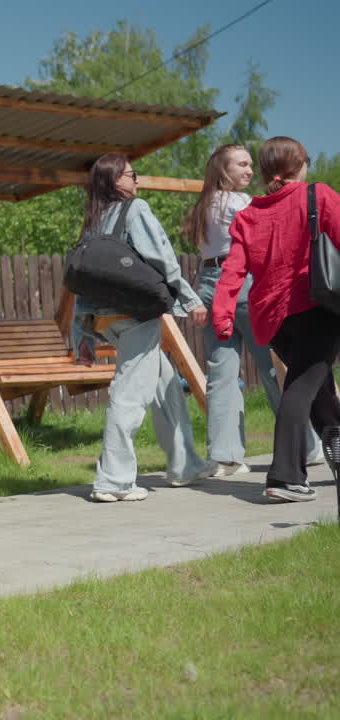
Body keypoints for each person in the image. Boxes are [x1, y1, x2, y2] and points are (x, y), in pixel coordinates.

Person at [72, 154, 217, 503]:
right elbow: (161, 257)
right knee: (129, 394)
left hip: (105, 319)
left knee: (165, 384)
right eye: (132, 175)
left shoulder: (93, 221)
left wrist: (80, 336)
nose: (137, 181)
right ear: (116, 182)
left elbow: (82, 278)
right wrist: (191, 299)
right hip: (135, 316)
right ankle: (113, 480)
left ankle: (186, 464)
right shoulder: (134, 209)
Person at [212, 136, 340, 502]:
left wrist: (223, 317)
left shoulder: (248, 215)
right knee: (301, 386)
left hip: (272, 321)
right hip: (317, 309)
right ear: (299, 163)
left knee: (320, 393)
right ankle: (285, 477)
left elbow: (232, 273)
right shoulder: (317, 195)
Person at [181, 144, 321, 477]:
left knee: (221, 371)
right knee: (274, 365)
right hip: (240, 281)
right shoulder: (241, 202)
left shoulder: (201, 207)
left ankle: (226, 456)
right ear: (222, 170)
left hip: (208, 283)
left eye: (249, 164)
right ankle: (305, 444)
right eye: (241, 165)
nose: (248, 170)